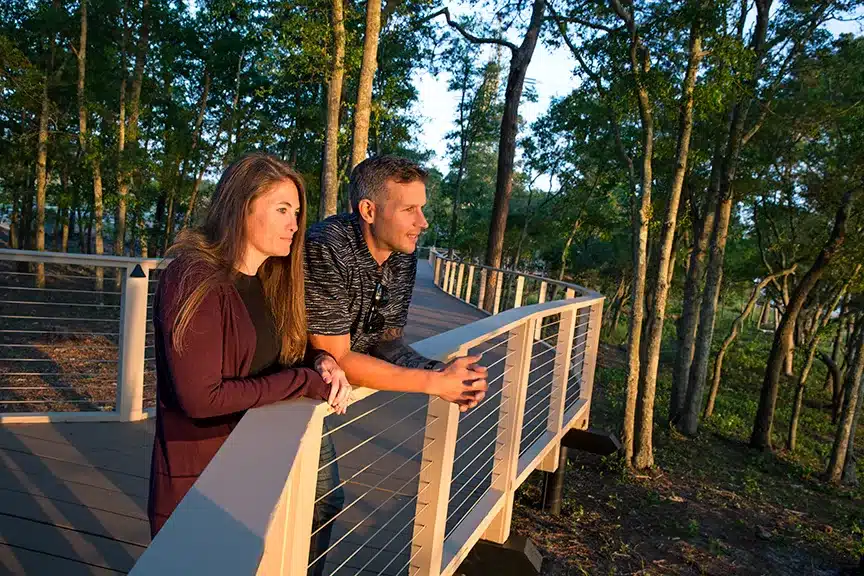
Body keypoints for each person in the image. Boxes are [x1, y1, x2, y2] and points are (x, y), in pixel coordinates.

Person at [147, 153, 352, 538]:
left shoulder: (269, 278)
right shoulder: (192, 277)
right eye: (282, 210)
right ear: (242, 208)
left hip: (256, 463)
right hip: (203, 477)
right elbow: (201, 398)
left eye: (296, 211)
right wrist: (304, 381)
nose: (295, 225)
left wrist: (320, 359)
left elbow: (272, 356)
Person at [303, 155, 489, 575]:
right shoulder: (327, 246)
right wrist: (432, 383)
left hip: (319, 390)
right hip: (276, 383)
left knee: (316, 503)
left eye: (422, 208)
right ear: (369, 210)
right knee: (318, 502)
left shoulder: (400, 255)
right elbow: (339, 357)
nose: (422, 222)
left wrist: (443, 373)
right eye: (409, 209)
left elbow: (388, 341)